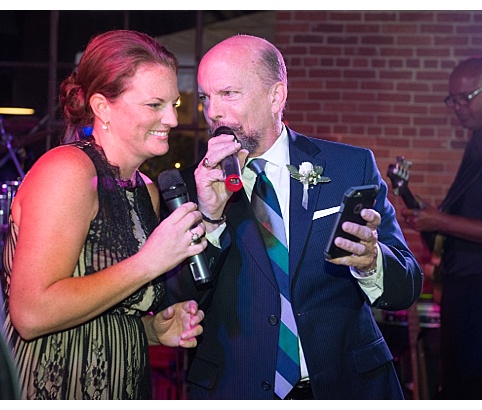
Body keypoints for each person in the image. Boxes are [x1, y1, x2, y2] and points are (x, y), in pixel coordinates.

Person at [170, 35, 423, 399]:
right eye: (207, 97)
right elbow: (175, 301)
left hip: (347, 387)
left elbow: (406, 285)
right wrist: (209, 218)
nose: (213, 112)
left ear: (276, 96)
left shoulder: (349, 167)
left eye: (229, 94)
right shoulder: (191, 186)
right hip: (236, 389)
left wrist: (371, 263)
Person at [0, 30, 206, 400]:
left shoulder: (146, 190)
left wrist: (149, 329)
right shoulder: (68, 171)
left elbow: (98, 310)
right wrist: (148, 262)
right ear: (102, 107)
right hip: (43, 386)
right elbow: (31, 314)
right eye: (155, 105)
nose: (172, 119)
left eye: (174, 103)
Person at [400, 56, 482, 399]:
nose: (458, 108)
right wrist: (428, 214)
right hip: (467, 291)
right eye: (453, 99)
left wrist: (440, 220)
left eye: (467, 97)